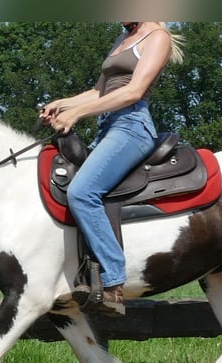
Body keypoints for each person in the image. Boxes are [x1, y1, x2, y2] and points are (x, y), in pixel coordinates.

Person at [40, 22, 184, 316]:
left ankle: (113, 281)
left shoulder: (158, 37)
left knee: (82, 192)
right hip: (107, 128)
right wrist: (63, 104)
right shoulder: (123, 38)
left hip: (132, 127)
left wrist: (76, 114)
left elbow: (133, 91)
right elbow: (98, 92)